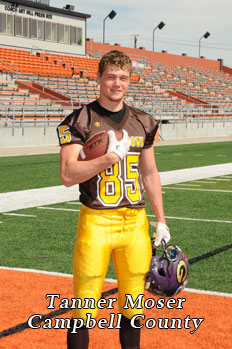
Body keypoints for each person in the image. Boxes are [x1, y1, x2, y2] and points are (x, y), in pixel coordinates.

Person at [57, 50, 170, 349]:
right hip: (97, 221)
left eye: (123, 78)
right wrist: (107, 158)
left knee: (134, 306)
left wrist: (161, 220)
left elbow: (150, 173)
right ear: (99, 78)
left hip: (135, 224)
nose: (116, 84)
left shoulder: (143, 121)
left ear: (130, 80)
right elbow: (68, 174)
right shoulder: (80, 119)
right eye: (110, 77)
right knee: (84, 307)